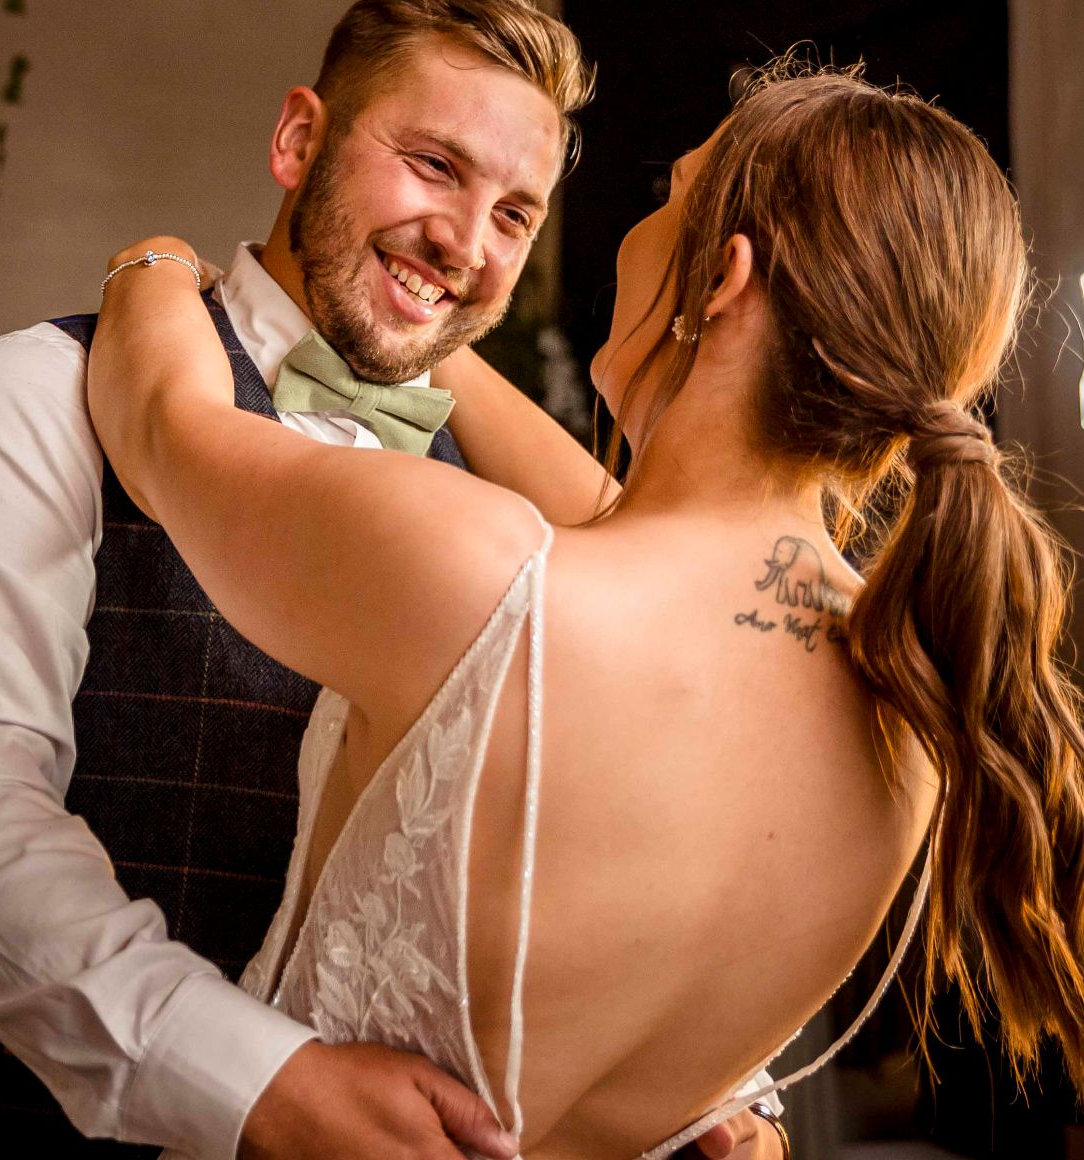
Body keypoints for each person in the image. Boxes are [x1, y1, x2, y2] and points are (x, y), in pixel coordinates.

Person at [86, 64, 1084, 1158]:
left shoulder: (488, 581)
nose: (632, 229)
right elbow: (636, 522)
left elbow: (163, 424)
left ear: (723, 279)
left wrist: (157, 262)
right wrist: (432, 321)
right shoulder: (906, 714)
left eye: (669, 196)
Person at [0, 0, 774, 1160]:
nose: (464, 244)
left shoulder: (529, 512)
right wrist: (259, 1084)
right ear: (300, 139)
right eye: (435, 166)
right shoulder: (37, 395)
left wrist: (721, 1089)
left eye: (516, 214)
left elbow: (616, 840)